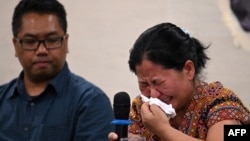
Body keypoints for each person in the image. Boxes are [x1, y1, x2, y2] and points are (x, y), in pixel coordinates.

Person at [108, 22, 250, 141]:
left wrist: (163, 129)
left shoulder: (221, 102)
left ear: (188, 70)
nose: (153, 94)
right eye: (144, 84)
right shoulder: (141, 109)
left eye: (158, 82)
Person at [0, 0, 114, 140]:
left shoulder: (90, 102)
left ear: (66, 43)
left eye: (52, 40)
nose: (41, 50)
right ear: (16, 46)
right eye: (30, 41)